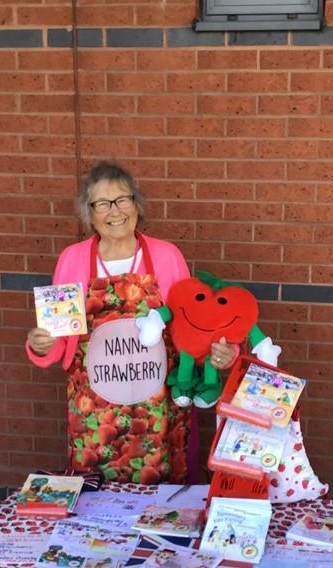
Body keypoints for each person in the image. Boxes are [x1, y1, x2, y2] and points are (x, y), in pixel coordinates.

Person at [26, 161, 238, 484]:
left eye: (123, 199)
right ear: (89, 212)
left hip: (160, 417)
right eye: (102, 203)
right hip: (94, 418)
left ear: (136, 204)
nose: (115, 211)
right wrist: (42, 345)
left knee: (165, 499)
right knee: (97, 501)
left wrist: (221, 354)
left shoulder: (167, 256)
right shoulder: (72, 260)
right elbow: (59, 340)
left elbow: (195, 327)